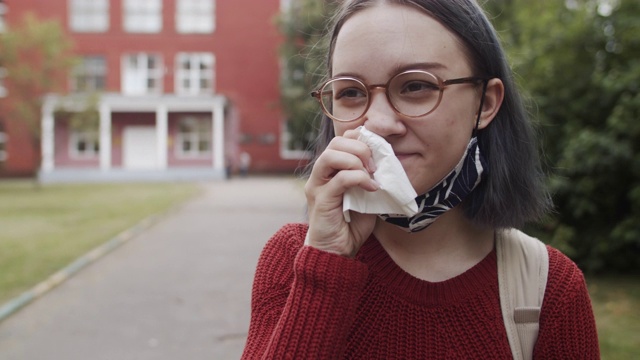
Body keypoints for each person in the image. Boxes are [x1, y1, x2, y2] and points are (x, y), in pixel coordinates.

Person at [241, 0, 599, 358]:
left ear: (485, 103)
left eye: (415, 86)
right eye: (351, 92)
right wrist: (326, 264)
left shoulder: (549, 288)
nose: (378, 123)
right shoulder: (293, 259)